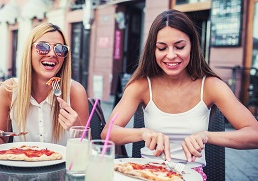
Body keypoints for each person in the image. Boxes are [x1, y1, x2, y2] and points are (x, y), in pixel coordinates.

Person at [101, 9, 258, 180]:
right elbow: (108, 132)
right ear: (153, 50)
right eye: (162, 48)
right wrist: (143, 133)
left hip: (191, 175)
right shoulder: (142, 85)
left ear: (192, 45)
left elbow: (254, 135)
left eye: (179, 47)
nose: (170, 55)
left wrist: (206, 136)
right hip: (145, 173)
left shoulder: (211, 86)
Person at [0, 23, 89, 146]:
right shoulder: (9, 90)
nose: (52, 54)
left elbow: (87, 149)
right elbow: (1, 144)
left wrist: (78, 130)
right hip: (21, 163)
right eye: (43, 47)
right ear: (29, 51)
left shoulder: (75, 91)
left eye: (60, 49)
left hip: (64, 165)